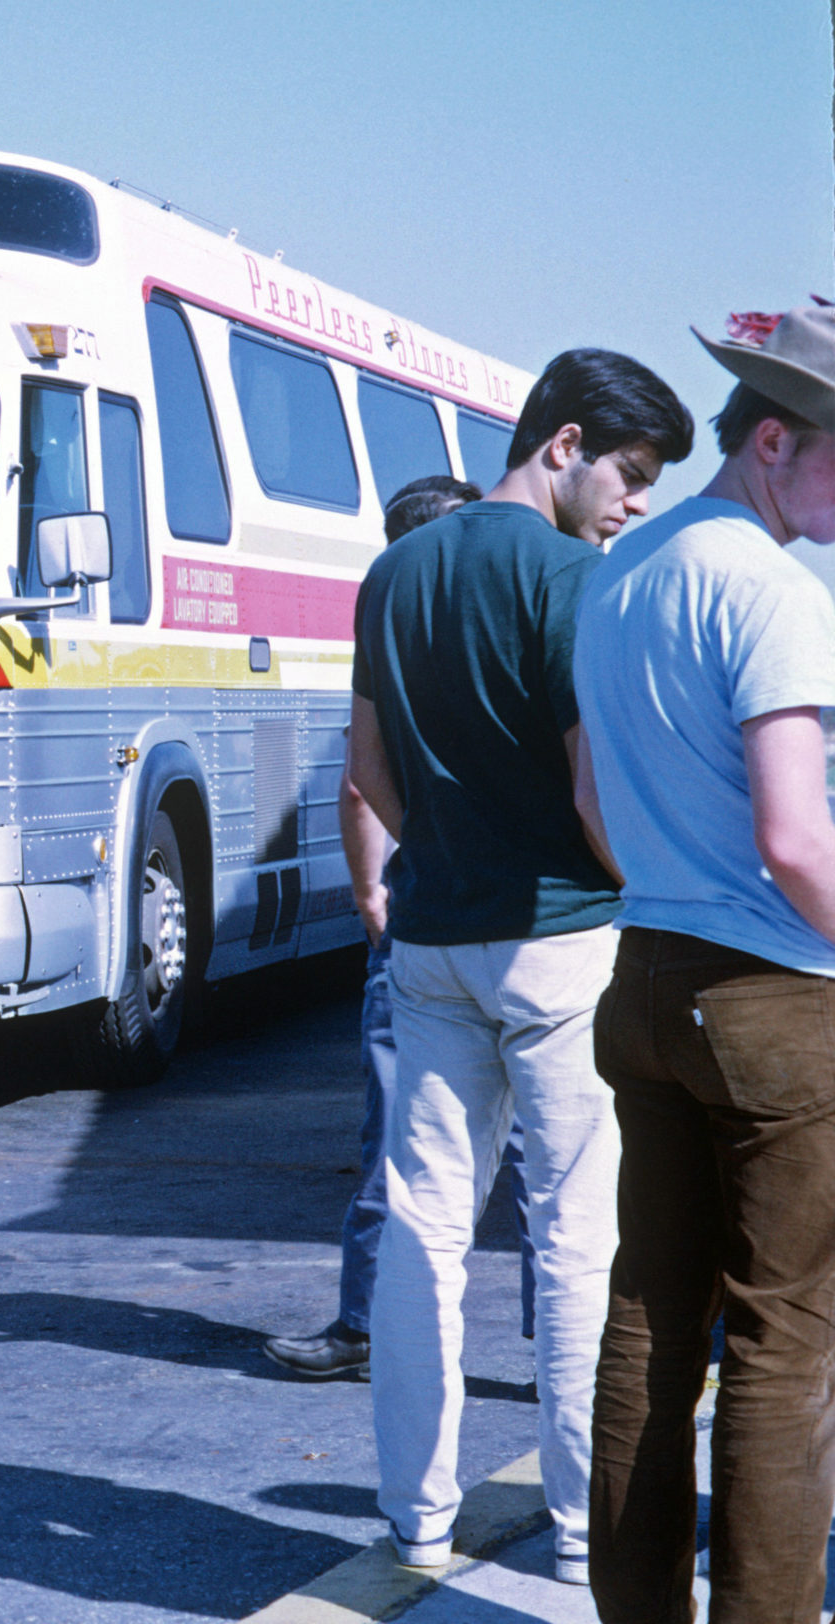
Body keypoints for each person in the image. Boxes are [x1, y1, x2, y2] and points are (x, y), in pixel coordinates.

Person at [348, 349, 694, 1584]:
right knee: (574, 1238)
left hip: (432, 937)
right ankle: (575, 1528)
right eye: (630, 472)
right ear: (562, 444)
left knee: (422, 1227)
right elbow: (596, 786)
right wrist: (644, 882)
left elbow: (370, 775)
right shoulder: (572, 578)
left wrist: (433, 856)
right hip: (562, 941)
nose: (634, 502)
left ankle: (417, 1518)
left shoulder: (391, 573)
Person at [573, 303, 835, 1620]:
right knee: (787, 1344)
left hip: (646, 972)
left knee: (650, 1323)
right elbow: (798, 838)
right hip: (778, 1000)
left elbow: (597, 804)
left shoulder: (622, 571)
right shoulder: (775, 592)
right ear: (775, 439)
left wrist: (677, 884)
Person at [265, 475, 486, 1381]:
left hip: (425, 913)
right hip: (544, 924)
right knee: (557, 1159)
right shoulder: (529, 616)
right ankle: (569, 1350)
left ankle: (366, 1327)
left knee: (401, 1133)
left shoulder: (390, 629)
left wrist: (373, 894)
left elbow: (361, 780)